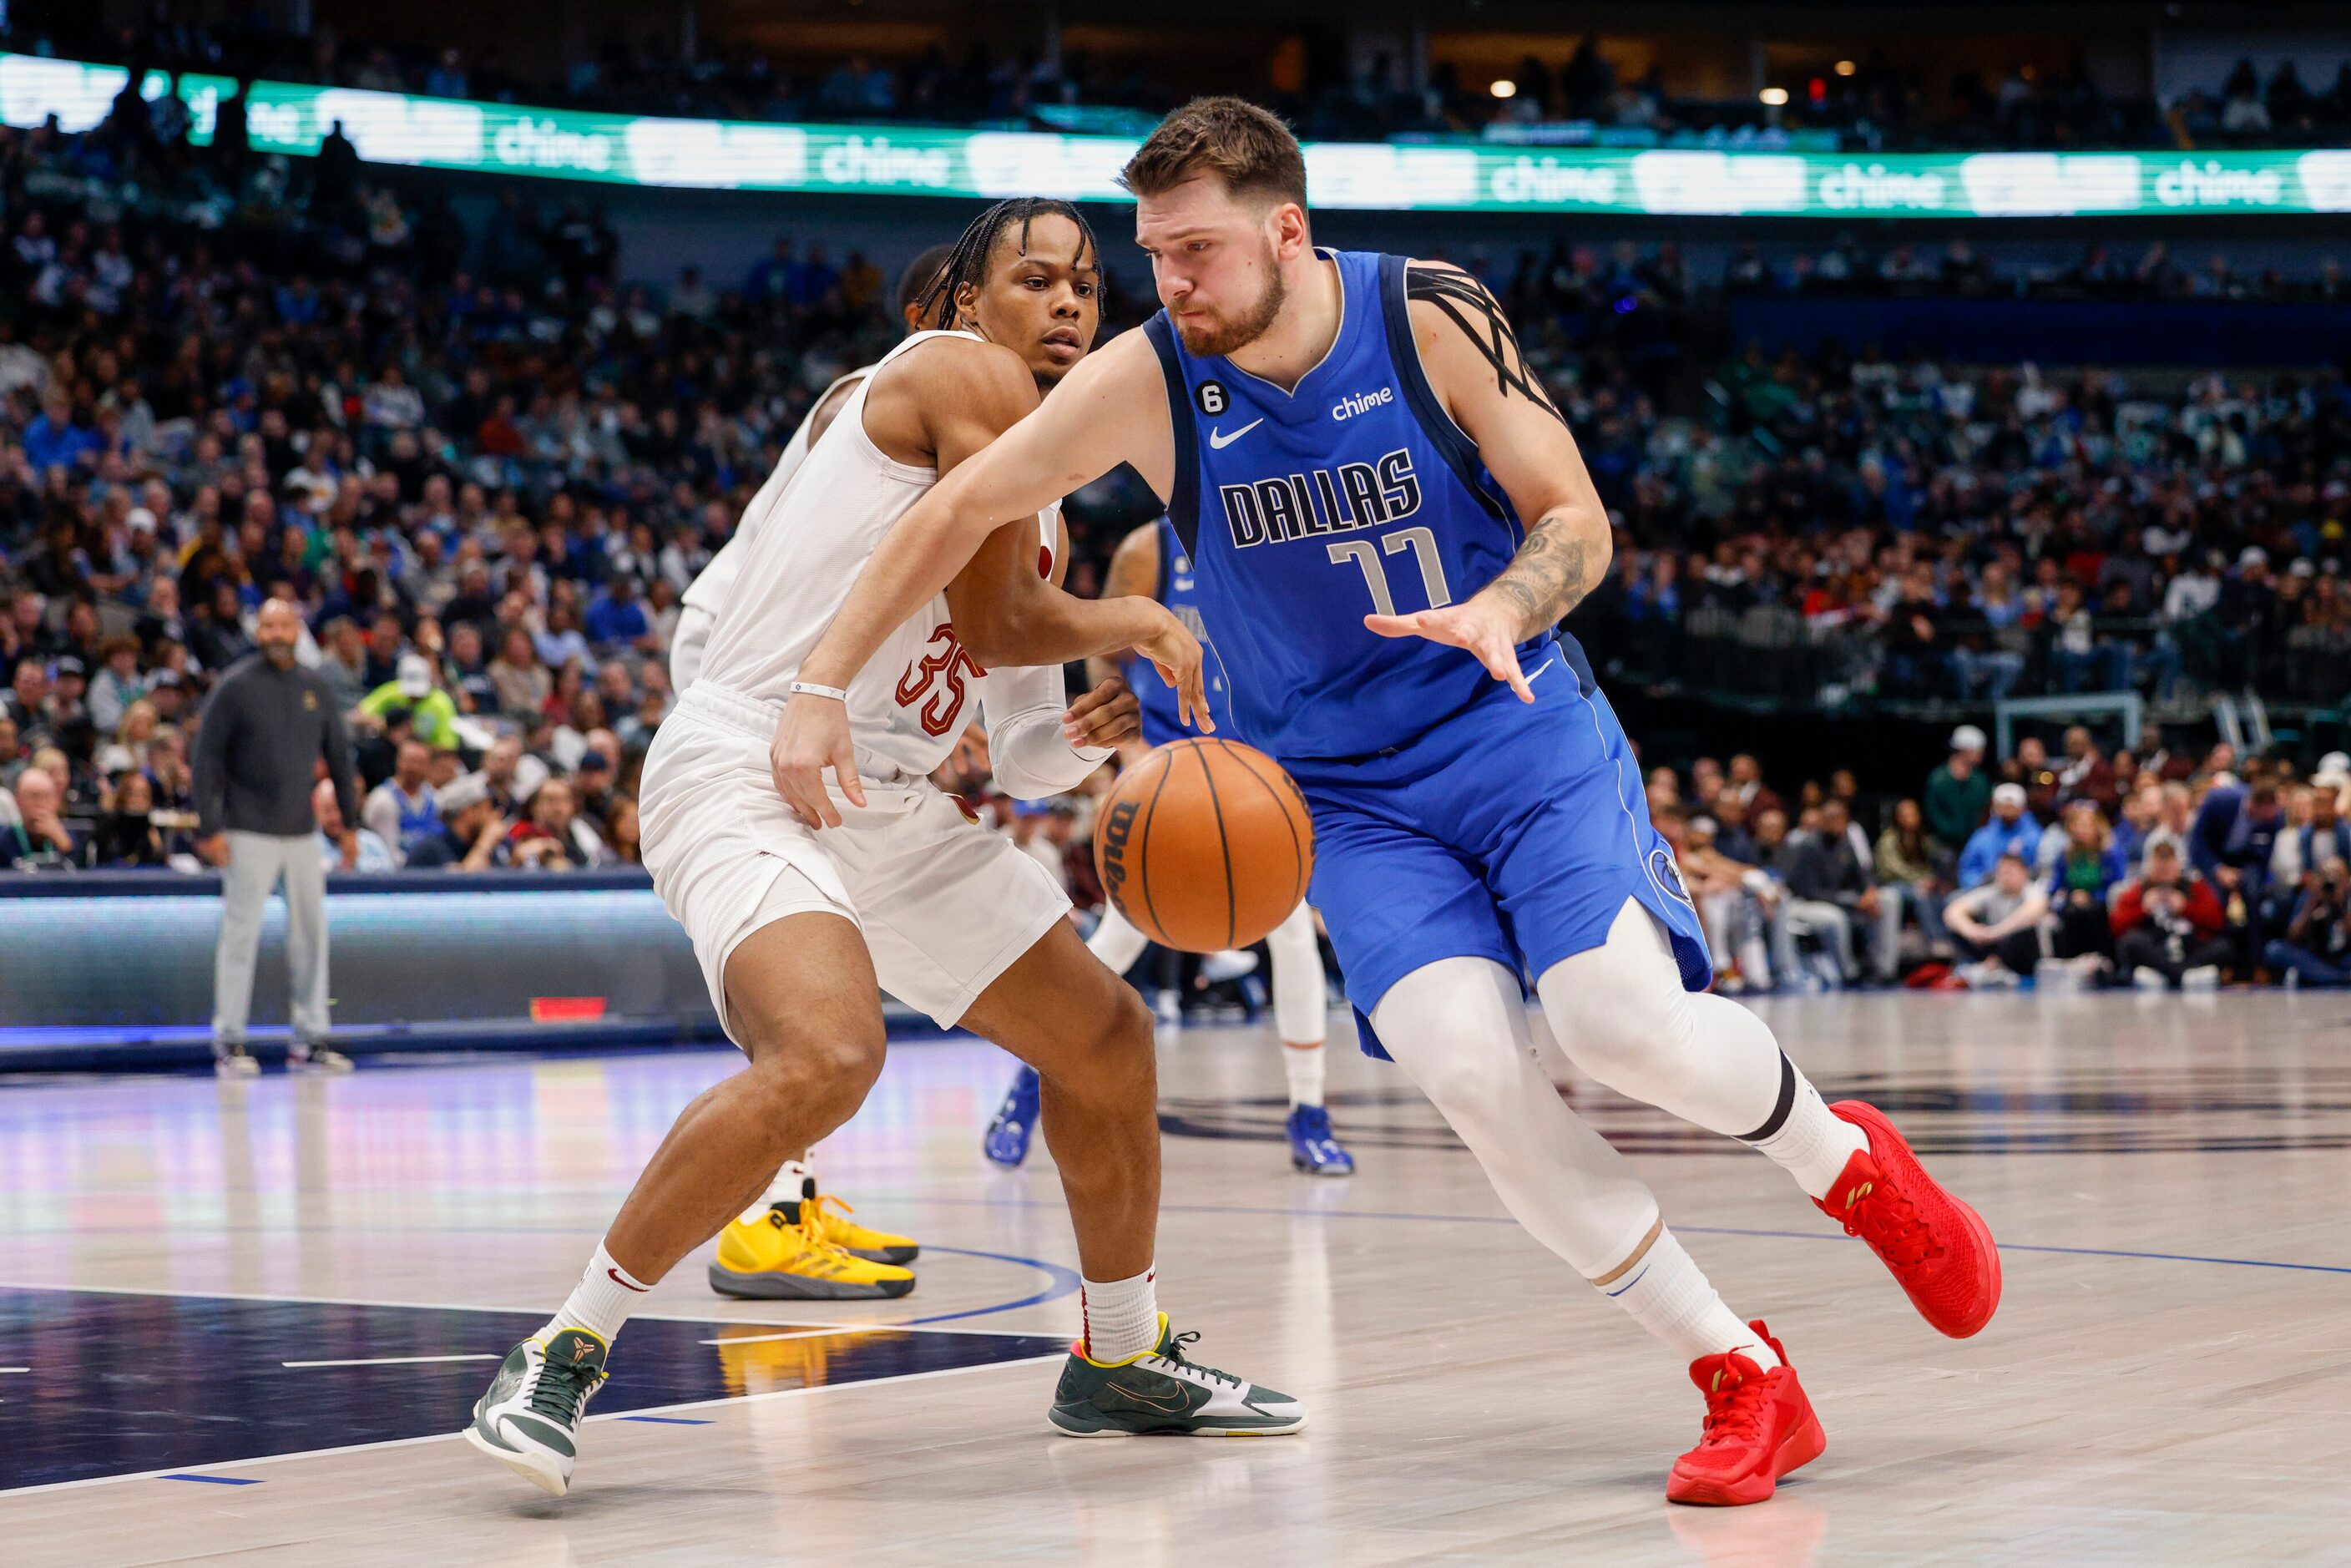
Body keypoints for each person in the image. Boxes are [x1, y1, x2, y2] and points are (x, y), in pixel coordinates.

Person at [771, 99, 1999, 1507]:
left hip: (1515, 730)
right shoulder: (1150, 378)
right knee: (1473, 1076)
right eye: (1153, 254)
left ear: (1286, 230)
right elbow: (950, 511)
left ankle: (1847, 1164)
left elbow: (1578, 517)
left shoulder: (1424, 315)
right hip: (1340, 798)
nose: (1170, 282)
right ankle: (1741, 1373)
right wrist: (818, 682)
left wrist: (1502, 603)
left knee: (1617, 1023)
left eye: (1198, 251)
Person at [466, 199, 1298, 1501]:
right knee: (831, 1053)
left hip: (896, 799)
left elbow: (1018, 744)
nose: (1074, 303)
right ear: (971, 305)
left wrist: (1100, 729)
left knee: (1107, 1042)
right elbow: (1009, 614)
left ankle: (1123, 1355)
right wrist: (1135, 616)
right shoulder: (954, 376)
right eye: (1039, 278)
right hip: (757, 761)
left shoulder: (1047, 512)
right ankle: (563, 1345)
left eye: (1089, 284)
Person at [983, 514, 1355, 1178]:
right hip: (1168, 766)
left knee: (1292, 933)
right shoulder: (1147, 548)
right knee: (1117, 946)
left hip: (1252, 768)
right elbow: (1105, 651)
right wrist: (1128, 746)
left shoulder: (1281, 533)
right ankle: (1024, 1092)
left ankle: (1309, 1113)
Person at [191, 598, 361, 1075]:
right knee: (240, 935)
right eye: (268, 626)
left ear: (297, 630)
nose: (277, 634)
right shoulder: (235, 687)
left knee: (311, 935)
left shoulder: (316, 687)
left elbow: (341, 760)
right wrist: (210, 827)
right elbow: (206, 761)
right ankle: (230, 1039)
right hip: (247, 830)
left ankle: (311, 1036)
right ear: (258, 632)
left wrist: (348, 826)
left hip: (303, 832)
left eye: (285, 625)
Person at [2110, 841, 2227, 990]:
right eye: (2159, 870)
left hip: (2189, 948)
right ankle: (2183, 976)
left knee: (2223, 946)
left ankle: (2170, 975)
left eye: (2168, 870)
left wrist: (2186, 908)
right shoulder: (2138, 889)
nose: (2163, 876)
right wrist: (2143, 909)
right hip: (2156, 949)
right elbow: (2116, 926)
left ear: (2177, 866)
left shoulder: (2194, 887)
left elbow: (2217, 922)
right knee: (2132, 942)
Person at [1942, 851, 2049, 987]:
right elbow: (1952, 911)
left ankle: (1989, 967)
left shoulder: (2032, 891)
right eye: (2002, 872)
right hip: (1995, 945)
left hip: (2024, 955)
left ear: (2024, 873)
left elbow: (2035, 910)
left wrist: (1995, 932)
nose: (2006, 876)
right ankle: (1988, 966)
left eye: (2011, 872)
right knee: (1956, 928)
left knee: (2023, 932)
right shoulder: (1993, 891)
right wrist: (1972, 931)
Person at [361, 738, 442, 864]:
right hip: (397, 876)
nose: (414, 768)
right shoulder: (383, 800)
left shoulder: (434, 798)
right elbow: (388, 854)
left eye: (420, 763)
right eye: (410, 761)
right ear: (398, 762)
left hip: (431, 873)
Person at [1958, 782, 2042, 888]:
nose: (2008, 810)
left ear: (2023, 807)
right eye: (2003, 805)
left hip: (2023, 891)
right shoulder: (1982, 837)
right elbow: (1967, 870)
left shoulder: (2035, 836)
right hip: (1986, 891)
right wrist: (1979, 881)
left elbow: (2041, 870)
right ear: (1995, 806)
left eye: (2012, 806)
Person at [316, 778, 396, 873]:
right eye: (328, 810)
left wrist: (356, 863)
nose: (336, 817)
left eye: (340, 810)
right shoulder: (310, 847)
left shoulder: (373, 843)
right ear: (318, 812)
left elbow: (390, 878)